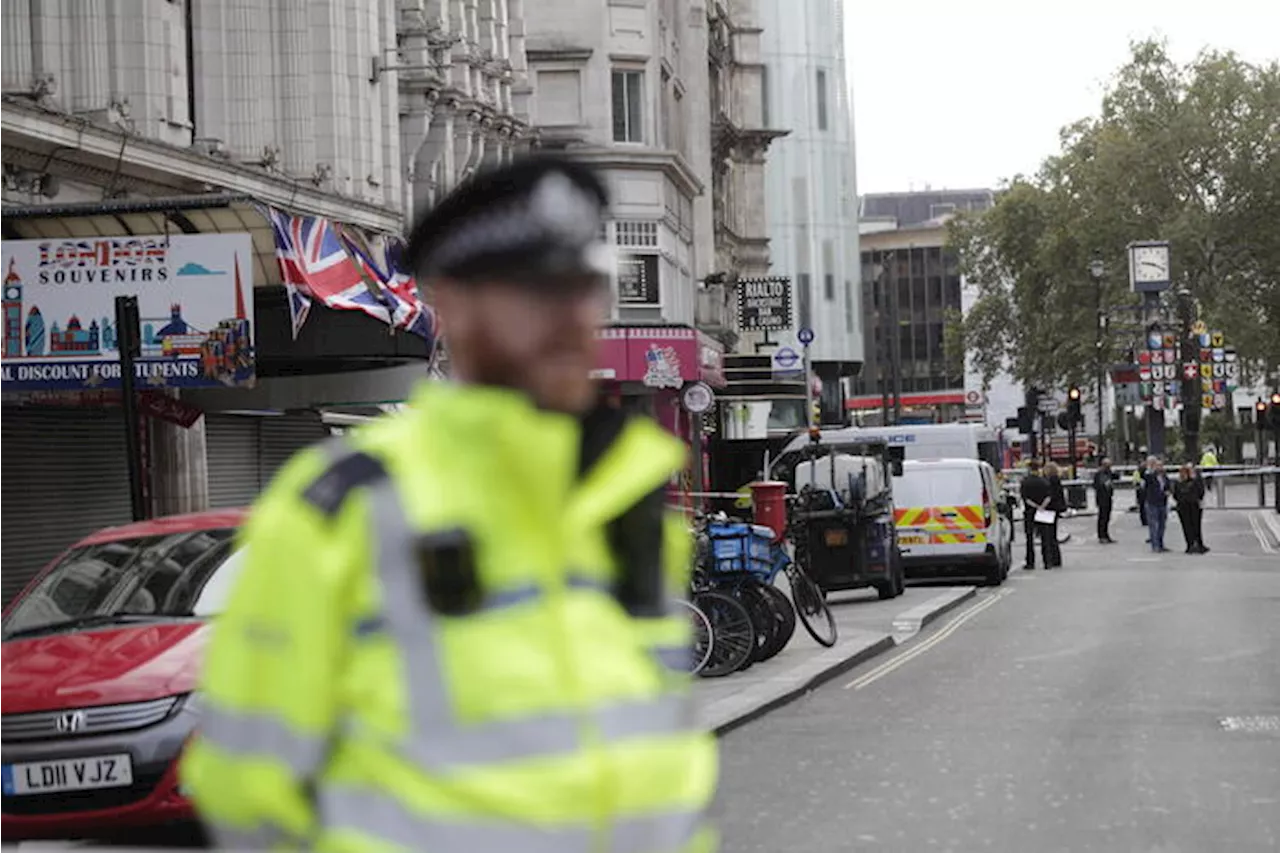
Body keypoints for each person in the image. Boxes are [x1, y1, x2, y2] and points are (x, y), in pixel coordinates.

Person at [180, 156, 718, 852]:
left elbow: (654, 756)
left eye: (585, 285)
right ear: (453, 303)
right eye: (535, 289)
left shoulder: (626, 508)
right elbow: (246, 787)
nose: (572, 315)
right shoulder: (346, 510)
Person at [1020, 459, 1053, 570]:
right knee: (1045, 537)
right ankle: (1047, 562)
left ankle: (1030, 562)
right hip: (1044, 511)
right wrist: (1042, 506)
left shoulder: (1025, 482)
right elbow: (1049, 497)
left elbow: (1025, 499)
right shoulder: (1044, 481)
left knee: (1029, 538)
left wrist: (1035, 506)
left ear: (1029, 469)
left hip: (1030, 512)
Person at [1174, 464, 1210, 554]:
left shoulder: (1184, 482)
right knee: (1190, 526)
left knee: (1192, 526)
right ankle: (1193, 545)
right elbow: (1177, 495)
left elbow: (1176, 495)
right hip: (1188, 506)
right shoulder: (1184, 483)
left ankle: (1195, 544)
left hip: (1189, 506)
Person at [1141, 456, 1172, 553]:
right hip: (1152, 503)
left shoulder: (1164, 476)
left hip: (1163, 502)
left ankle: (1161, 543)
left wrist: (1168, 491)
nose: (1160, 467)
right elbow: (1144, 475)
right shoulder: (1149, 475)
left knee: (1162, 525)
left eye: (1161, 465)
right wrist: (1149, 466)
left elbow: (1168, 485)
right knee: (1154, 525)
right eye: (1157, 465)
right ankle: (1155, 545)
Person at [1043, 461, 1067, 568]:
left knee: (1049, 535)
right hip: (1055, 509)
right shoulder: (1056, 479)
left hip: (1050, 509)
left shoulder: (1051, 481)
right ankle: (1056, 558)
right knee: (1052, 534)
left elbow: (1050, 495)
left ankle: (1053, 558)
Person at [1093, 457, 1117, 543]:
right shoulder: (1099, 474)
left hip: (1108, 497)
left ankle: (1106, 535)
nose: (1109, 467)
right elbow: (1096, 486)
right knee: (1102, 518)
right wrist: (1104, 485)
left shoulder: (1108, 473)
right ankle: (1101, 536)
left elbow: (1116, 477)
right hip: (1102, 498)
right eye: (1108, 465)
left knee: (1107, 517)